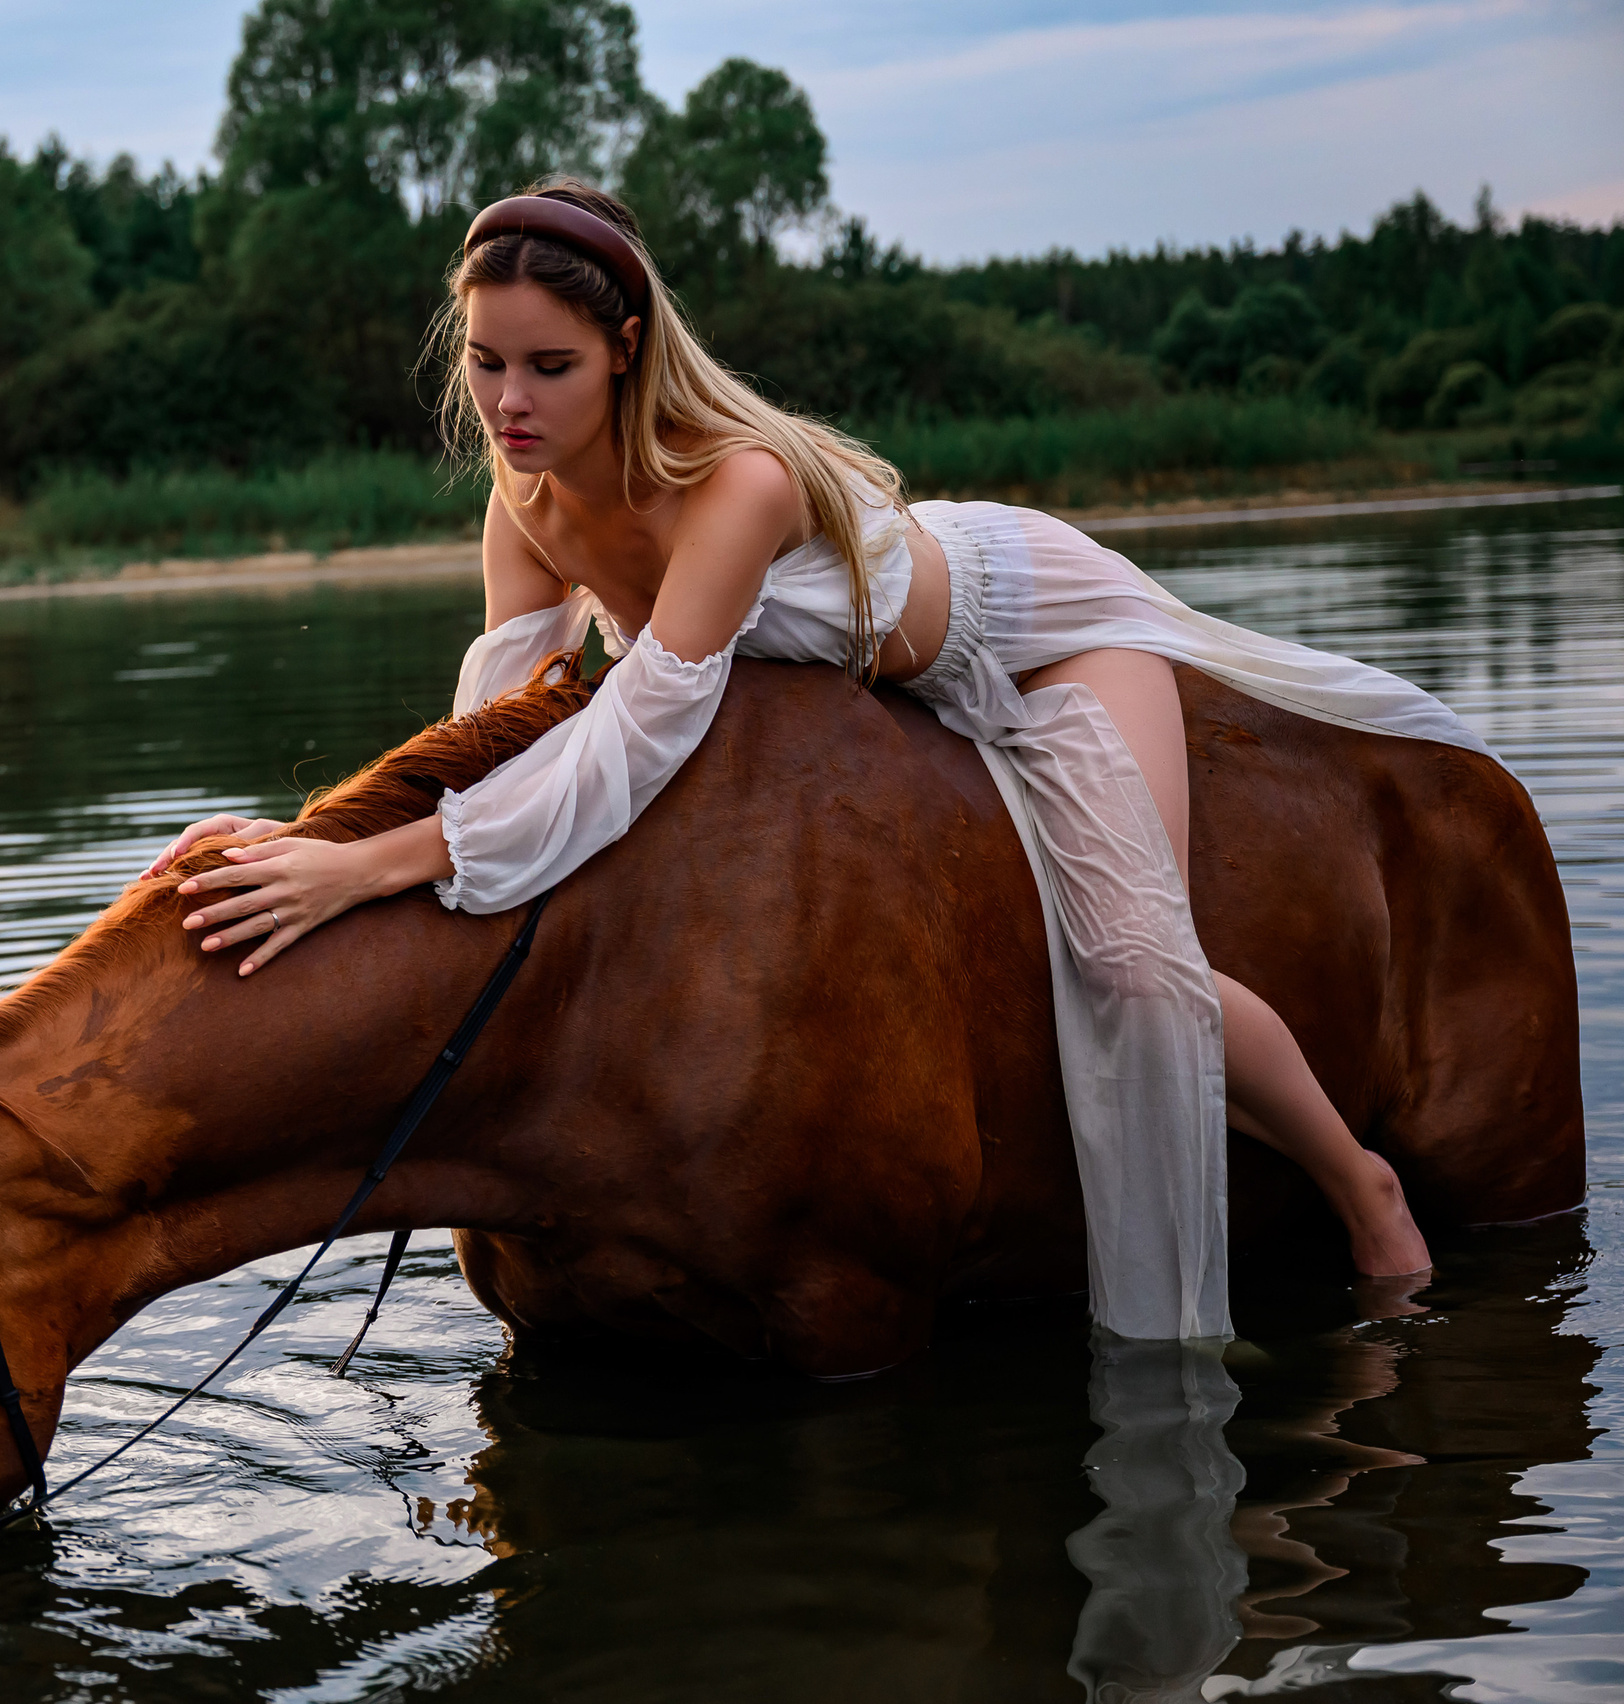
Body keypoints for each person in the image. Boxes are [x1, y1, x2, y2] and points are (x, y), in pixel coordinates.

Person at [141, 180, 1468, 1341]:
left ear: (625, 350)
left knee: (1128, 961)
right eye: (486, 362)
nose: (507, 402)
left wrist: (379, 864)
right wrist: (312, 846)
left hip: (1036, 630)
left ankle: (1362, 1188)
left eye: (546, 366)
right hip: (880, 688)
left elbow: (643, 726)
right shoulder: (524, 501)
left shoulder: (739, 483)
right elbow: (509, 721)